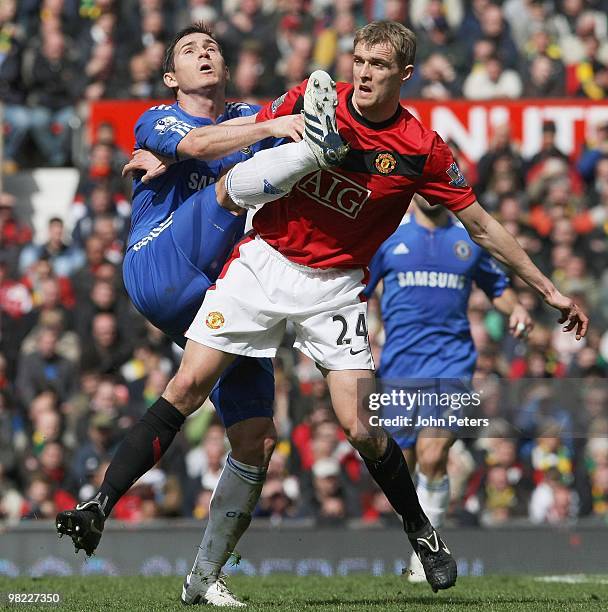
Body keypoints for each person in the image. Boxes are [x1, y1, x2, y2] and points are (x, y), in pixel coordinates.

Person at [65, 20, 588, 606]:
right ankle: (99, 503)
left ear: (404, 75)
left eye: (378, 65)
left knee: (361, 426)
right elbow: (236, 135)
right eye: (359, 60)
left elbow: (484, 225)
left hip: (335, 289)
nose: (362, 73)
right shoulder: (318, 100)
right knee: (186, 386)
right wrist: (167, 153)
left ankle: (422, 532)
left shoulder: (422, 150)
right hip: (261, 265)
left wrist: (548, 290)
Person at [56, 21, 348, 607]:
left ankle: (181, 560)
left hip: (219, 292)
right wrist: (271, 128)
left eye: (211, 45)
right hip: (159, 266)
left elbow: (297, 114)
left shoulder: (247, 114)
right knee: (229, 188)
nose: (204, 53)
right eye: (189, 50)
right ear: (171, 78)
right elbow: (195, 146)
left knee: (255, 440)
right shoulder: (159, 120)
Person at [364, 195, 534, 581]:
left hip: (452, 365)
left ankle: (424, 560)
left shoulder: (468, 240)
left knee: (434, 450)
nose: (430, 192)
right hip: (399, 369)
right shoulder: (389, 236)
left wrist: (517, 309)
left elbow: (498, 288)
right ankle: (421, 539)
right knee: (399, 465)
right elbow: (358, 289)